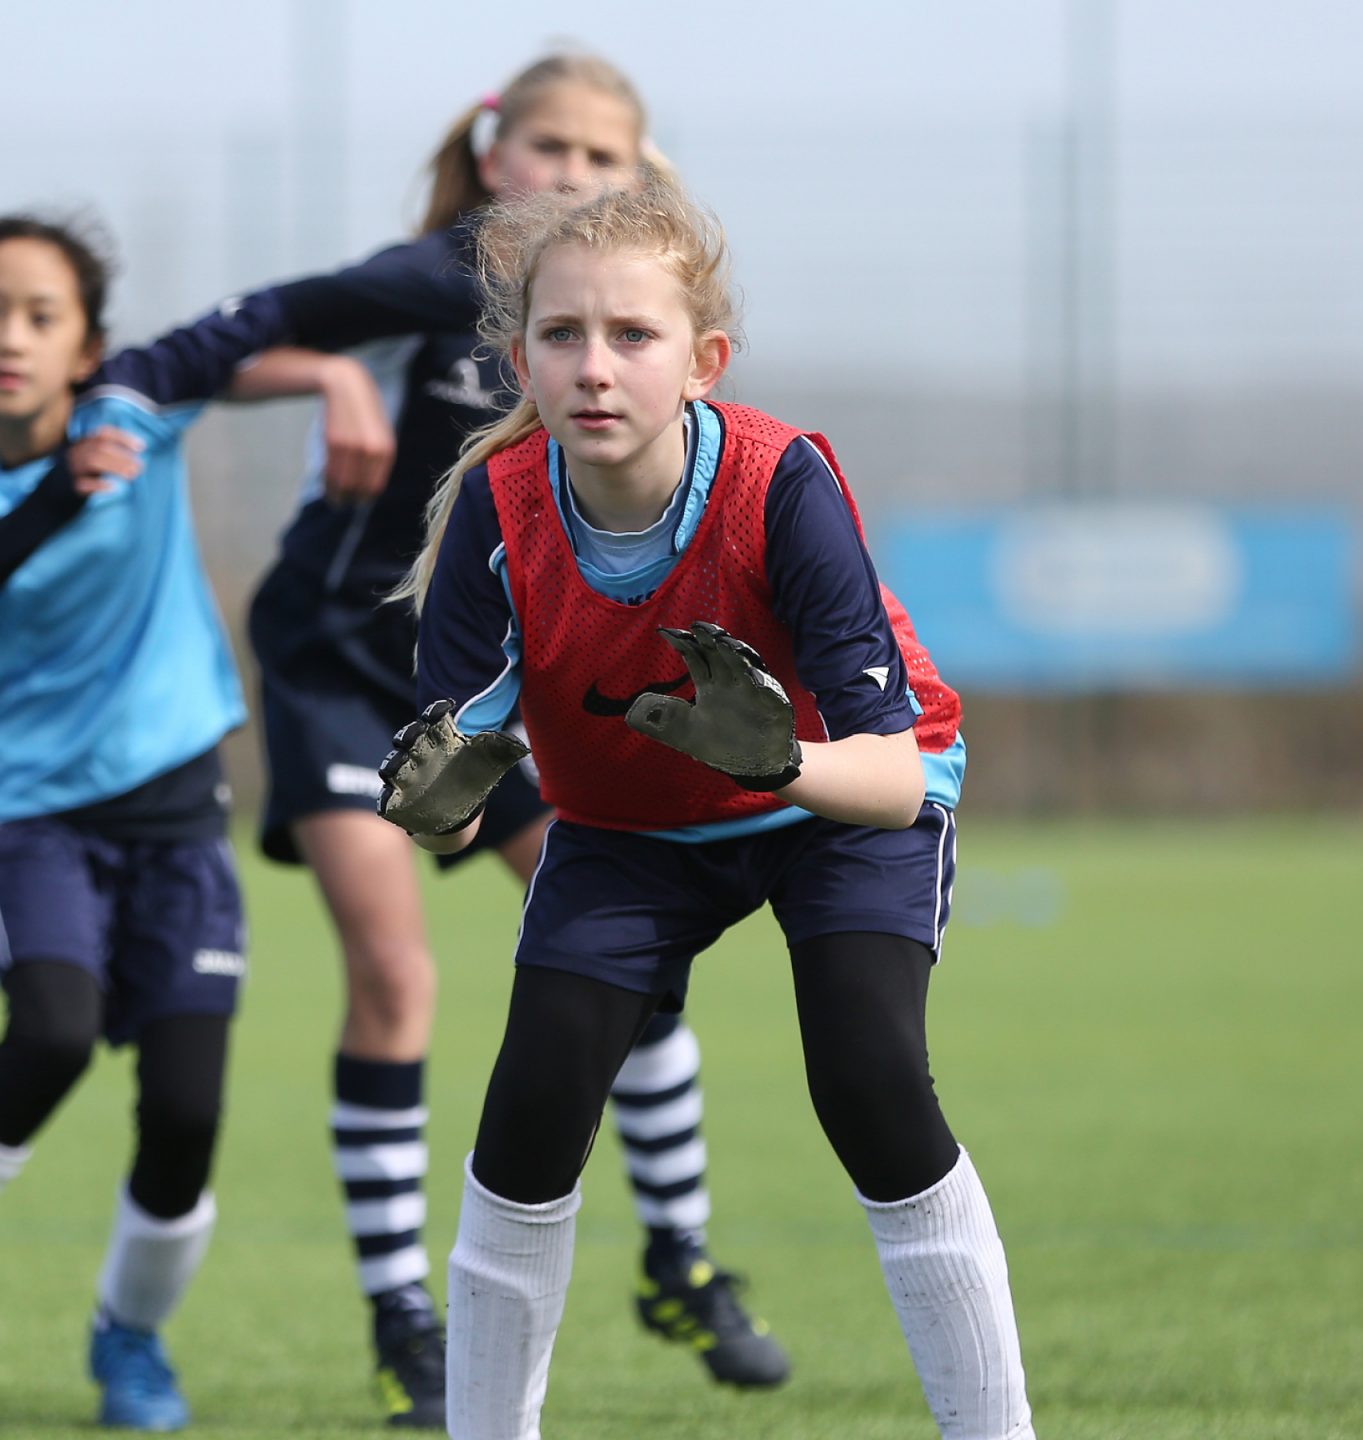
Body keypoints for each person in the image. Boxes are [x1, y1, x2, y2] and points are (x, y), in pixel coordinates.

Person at [378, 180, 1029, 1440]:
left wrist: (778, 762)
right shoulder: (497, 515)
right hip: (631, 831)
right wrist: (438, 805)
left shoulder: (779, 486)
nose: (595, 366)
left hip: (836, 807)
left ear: (702, 361)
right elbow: (454, 813)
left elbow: (893, 783)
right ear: (519, 359)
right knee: (527, 1121)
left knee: (870, 1080)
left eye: (634, 336)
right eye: (562, 336)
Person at [225, 55, 783, 1423]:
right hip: (338, 668)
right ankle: (405, 1320)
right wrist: (325, 379)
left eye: (608, 156)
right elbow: (222, 342)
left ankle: (677, 1255)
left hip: (490, 682)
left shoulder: (616, 333)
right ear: (492, 157)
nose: (574, 173)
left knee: (622, 944)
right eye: (550, 145)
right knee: (397, 978)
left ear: (641, 181)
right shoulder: (429, 286)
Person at [0, 214, 349, 1433]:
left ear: (86, 343)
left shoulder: (138, 405)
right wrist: (54, 496)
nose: (11, 336)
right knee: (49, 1031)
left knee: (189, 1110)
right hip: (25, 814)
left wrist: (340, 371)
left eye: (42, 316)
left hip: (175, 814)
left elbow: (297, 306)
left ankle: (132, 1344)